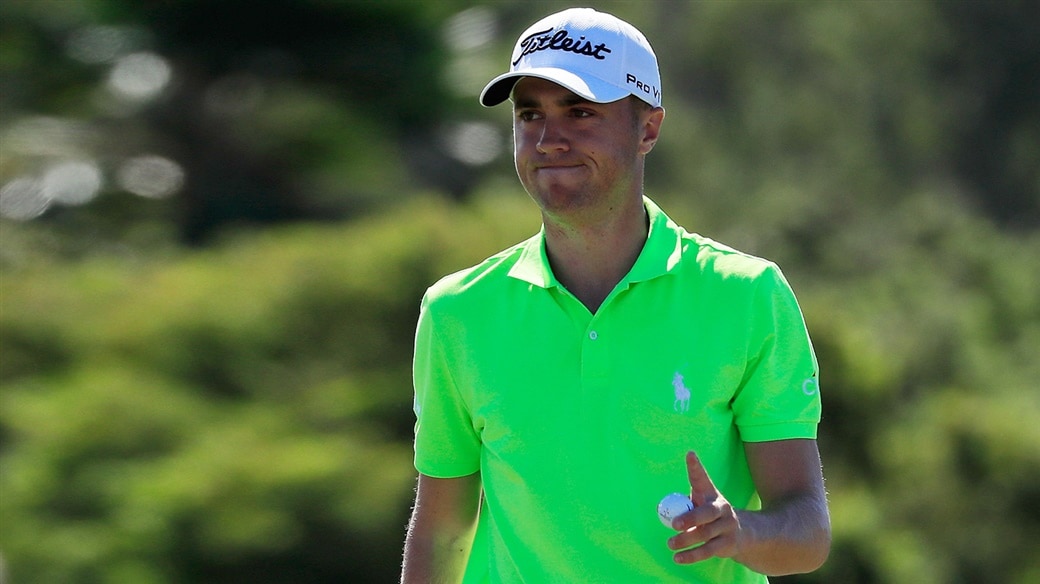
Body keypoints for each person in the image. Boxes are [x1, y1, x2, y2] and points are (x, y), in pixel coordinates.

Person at [401, 7, 830, 583]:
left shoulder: (746, 295)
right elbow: (441, 531)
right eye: (530, 114)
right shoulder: (457, 311)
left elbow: (806, 532)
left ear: (647, 129)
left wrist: (741, 532)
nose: (550, 139)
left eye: (580, 112)